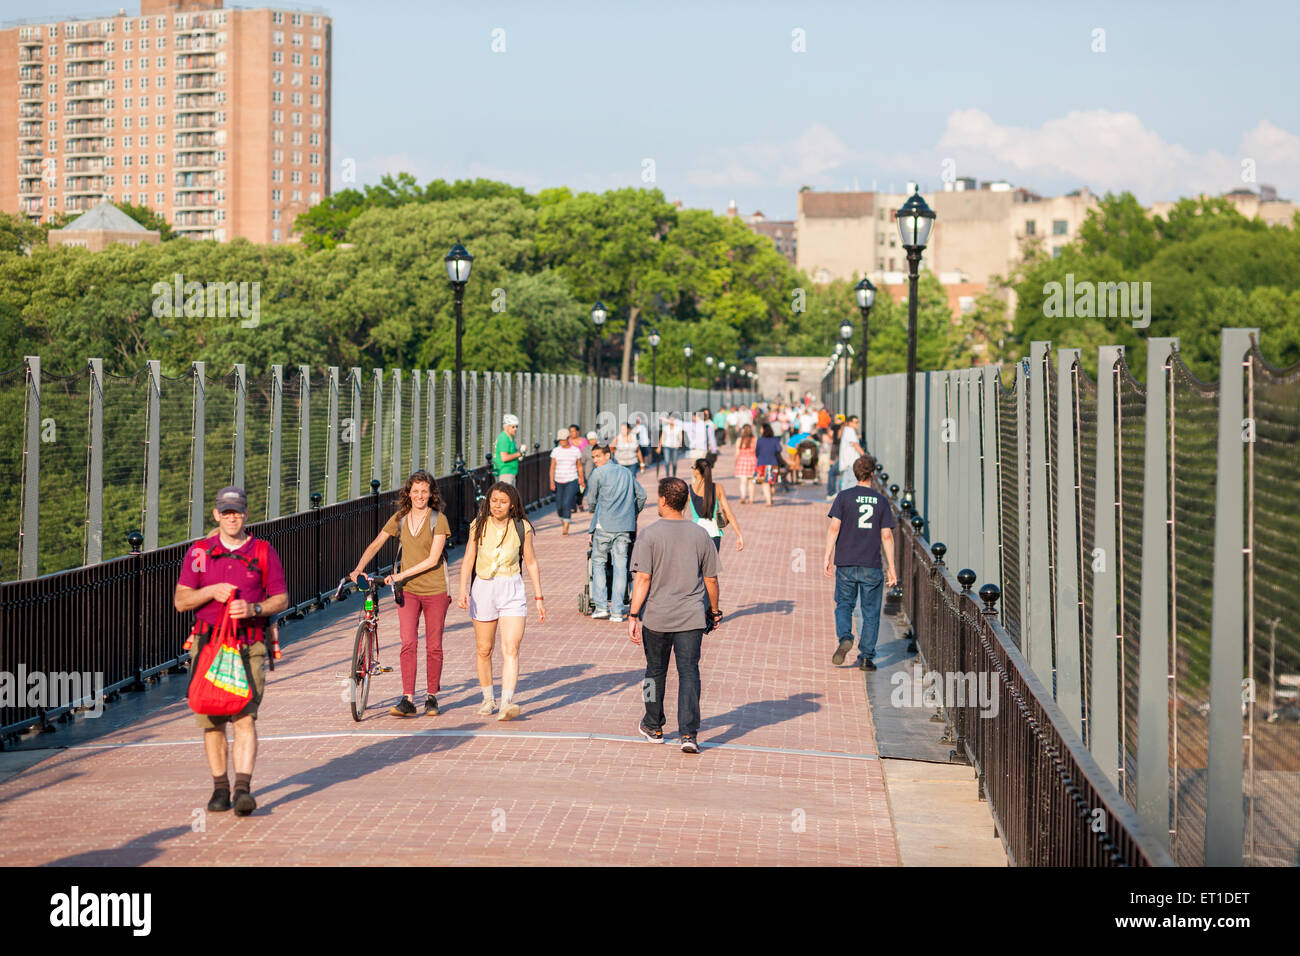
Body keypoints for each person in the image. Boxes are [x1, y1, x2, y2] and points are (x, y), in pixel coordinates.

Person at [175, 486, 289, 817]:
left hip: (249, 644)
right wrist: (210, 590)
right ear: (216, 515)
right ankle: (219, 789)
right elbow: (181, 601)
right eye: (226, 512)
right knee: (211, 719)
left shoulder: (264, 551)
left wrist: (253, 609)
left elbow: (280, 598)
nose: (231, 517)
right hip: (208, 645)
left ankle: (242, 789)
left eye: (236, 511)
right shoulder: (199, 553)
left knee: (244, 716)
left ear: (246, 515)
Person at [627, 477, 722, 754]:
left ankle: (653, 724)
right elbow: (711, 580)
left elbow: (643, 578)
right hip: (691, 617)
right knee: (689, 673)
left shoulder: (650, 534)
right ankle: (689, 733)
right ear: (685, 502)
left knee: (652, 672)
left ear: (663, 501)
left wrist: (633, 615)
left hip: (656, 617)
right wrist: (714, 611)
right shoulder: (700, 534)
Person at [349, 471, 451, 717]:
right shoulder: (400, 518)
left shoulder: (439, 520)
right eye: (415, 491)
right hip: (408, 592)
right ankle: (408, 698)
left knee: (434, 645)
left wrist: (399, 576)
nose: (419, 496)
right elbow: (376, 543)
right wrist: (359, 568)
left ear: (431, 494)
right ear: (408, 493)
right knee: (408, 643)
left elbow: (433, 559)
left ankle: (431, 696)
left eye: (424, 491)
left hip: (435, 588)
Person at [457, 482, 546, 720]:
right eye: (494, 500)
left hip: (512, 588)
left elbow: (531, 562)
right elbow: (468, 557)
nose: (497, 505)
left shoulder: (522, 527)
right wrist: (462, 588)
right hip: (483, 587)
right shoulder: (478, 525)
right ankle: (488, 698)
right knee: (484, 649)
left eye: (503, 502)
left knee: (511, 648)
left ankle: (507, 702)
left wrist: (538, 597)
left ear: (512, 505)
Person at [825, 455, 898, 671]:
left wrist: (827, 555)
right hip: (871, 563)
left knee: (844, 605)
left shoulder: (844, 497)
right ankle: (866, 657)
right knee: (870, 612)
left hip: (846, 561)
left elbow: (834, 528)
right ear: (872, 474)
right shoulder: (881, 501)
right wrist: (891, 567)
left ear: (855, 474)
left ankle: (845, 636)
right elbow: (886, 536)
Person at [586, 443, 647, 621]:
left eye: (598, 456)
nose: (595, 460)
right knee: (621, 568)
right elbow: (642, 496)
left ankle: (601, 607)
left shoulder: (598, 473)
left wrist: (592, 509)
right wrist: (632, 513)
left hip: (604, 526)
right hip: (624, 527)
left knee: (598, 564)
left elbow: (591, 499)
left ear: (608, 455)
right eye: (593, 457)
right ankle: (618, 611)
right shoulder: (627, 473)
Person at [688, 458, 743, 553]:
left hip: (696, 533)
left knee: (697, 567)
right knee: (712, 567)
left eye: (693, 467)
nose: (692, 470)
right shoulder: (717, 488)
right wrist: (739, 535)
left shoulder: (689, 489)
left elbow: (680, 514)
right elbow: (728, 513)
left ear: (697, 471)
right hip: (714, 533)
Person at [549, 427, 585, 535]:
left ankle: (566, 527)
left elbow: (579, 466)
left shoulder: (575, 450)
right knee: (559, 505)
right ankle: (563, 519)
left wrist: (581, 478)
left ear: (568, 438)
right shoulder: (556, 451)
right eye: (560, 440)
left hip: (572, 479)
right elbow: (552, 467)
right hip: (559, 480)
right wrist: (551, 481)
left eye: (564, 439)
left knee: (567, 502)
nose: (562, 442)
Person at [754, 423, 783, 507]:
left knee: (765, 483)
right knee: (771, 483)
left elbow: (757, 452)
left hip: (762, 463)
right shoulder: (775, 440)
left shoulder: (760, 440)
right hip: (773, 463)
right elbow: (779, 449)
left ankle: (768, 501)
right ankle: (770, 498)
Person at [493, 414, 523, 486]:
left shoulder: (509, 437)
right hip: (505, 472)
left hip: (510, 472)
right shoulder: (504, 438)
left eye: (516, 426)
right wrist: (519, 454)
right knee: (507, 496)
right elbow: (504, 457)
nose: (515, 429)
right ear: (506, 426)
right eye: (513, 426)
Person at [838, 414, 865, 491]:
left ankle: (843, 501)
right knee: (852, 484)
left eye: (858, 422)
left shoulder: (847, 430)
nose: (858, 424)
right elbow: (855, 444)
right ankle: (847, 501)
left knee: (846, 484)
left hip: (847, 463)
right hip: (851, 463)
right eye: (856, 422)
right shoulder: (850, 431)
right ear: (850, 423)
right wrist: (864, 455)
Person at [734, 424, 757, 504]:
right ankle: (751, 499)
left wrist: (735, 462)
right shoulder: (755, 440)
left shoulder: (739, 440)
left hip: (742, 461)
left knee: (743, 482)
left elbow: (737, 454)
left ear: (743, 430)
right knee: (751, 482)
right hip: (752, 461)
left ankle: (743, 497)